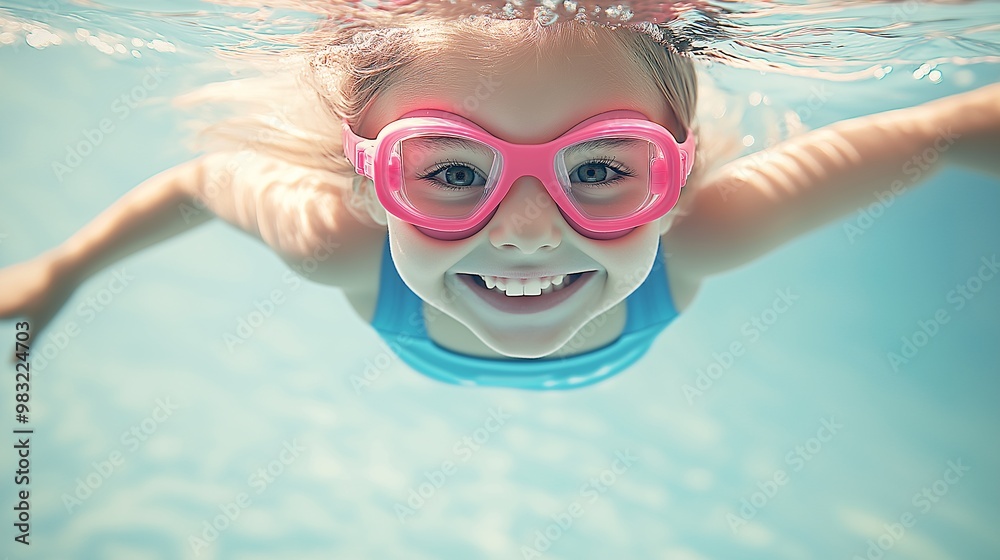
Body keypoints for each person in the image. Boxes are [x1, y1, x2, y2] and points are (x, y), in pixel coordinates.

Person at [1, 8, 998, 389]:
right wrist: (63, 270)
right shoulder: (333, 237)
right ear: (368, 182)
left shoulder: (708, 227)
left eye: (600, 169)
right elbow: (196, 182)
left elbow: (947, 128)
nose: (525, 233)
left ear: (676, 179)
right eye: (450, 171)